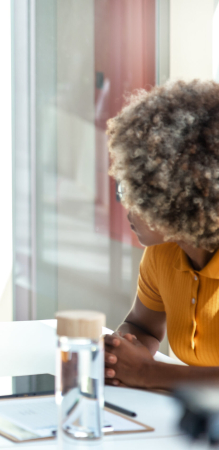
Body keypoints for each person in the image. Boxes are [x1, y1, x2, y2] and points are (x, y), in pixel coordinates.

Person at [105, 79, 219, 390]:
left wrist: (146, 372)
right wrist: (119, 352)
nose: (126, 205)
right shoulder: (162, 254)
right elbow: (143, 326)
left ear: (182, 195)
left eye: (139, 190)